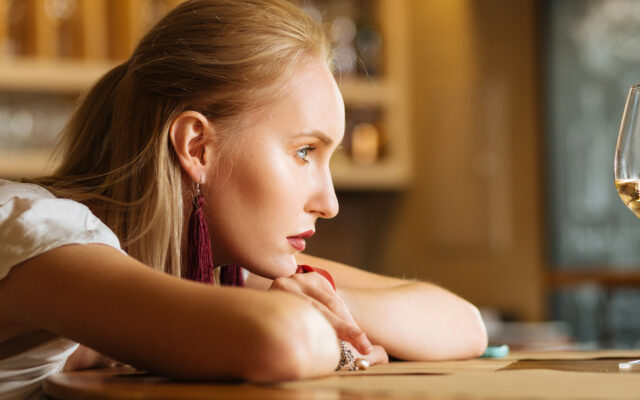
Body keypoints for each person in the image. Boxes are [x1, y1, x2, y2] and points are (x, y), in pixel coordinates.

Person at [0, 0, 487, 398]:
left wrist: (322, 308)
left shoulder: (212, 265)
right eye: (304, 152)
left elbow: (464, 323)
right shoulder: (39, 235)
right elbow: (282, 341)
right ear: (197, 147)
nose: (329, 202)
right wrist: (323, 330)